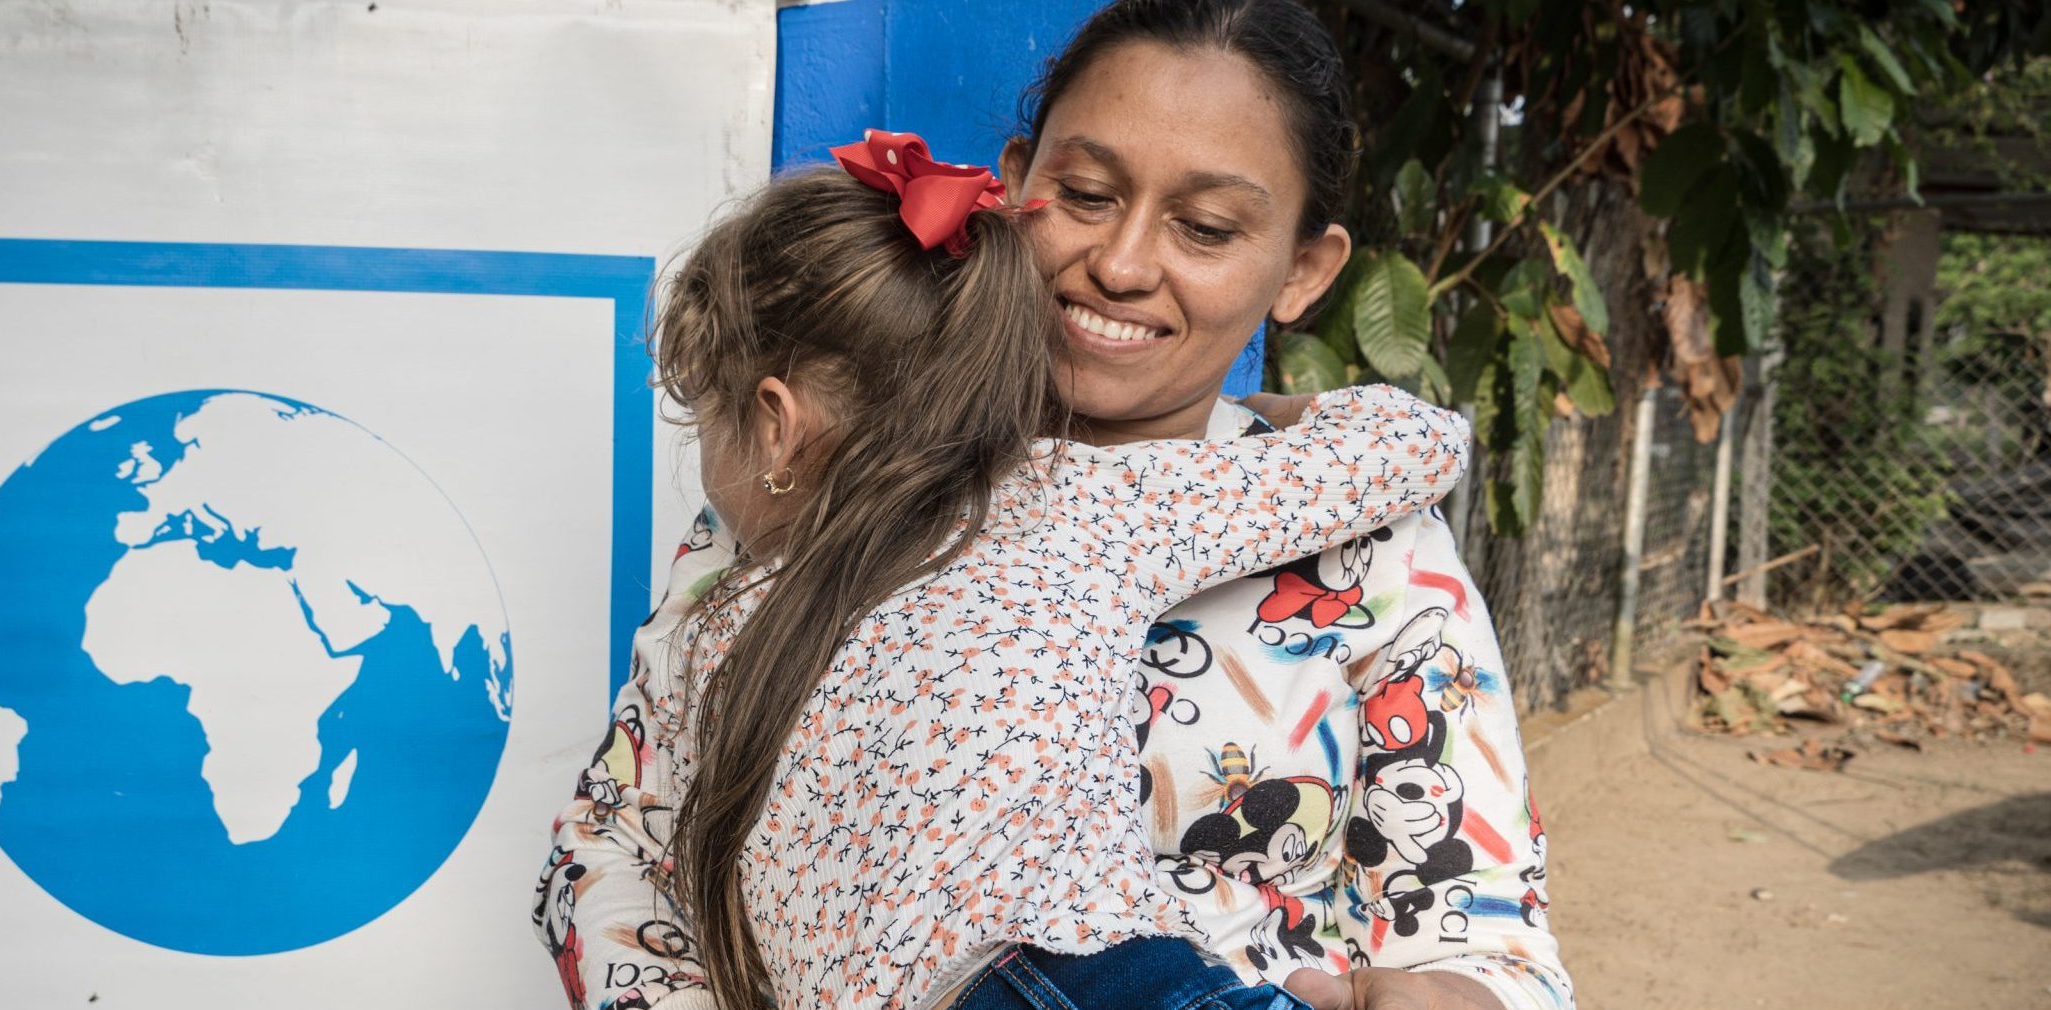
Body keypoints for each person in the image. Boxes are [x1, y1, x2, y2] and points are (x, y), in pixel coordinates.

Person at [535, 2, 1572, 1009]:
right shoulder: (828, 482)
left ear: (1303, 270)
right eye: (1084, 195)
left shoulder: (1379, 559)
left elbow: (1494, 940)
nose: (1120, 265)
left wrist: (1461, 997)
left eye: (1205, 227)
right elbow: (612, 848)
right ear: (1016, 181)